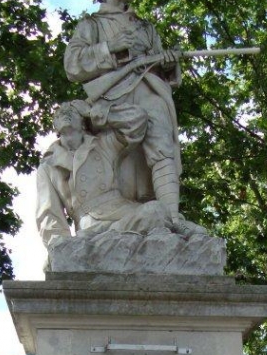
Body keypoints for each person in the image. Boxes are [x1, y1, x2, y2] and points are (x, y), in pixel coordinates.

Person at [63, 0, 183, 219]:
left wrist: (169, 63)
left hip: (150, 92)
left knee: (162, 146)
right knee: (122, 169)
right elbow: (72, 64)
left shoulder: (145, 27)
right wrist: (109, 48)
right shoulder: (91, 25)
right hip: (114, 99)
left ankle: (172, 216)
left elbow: (158, 66)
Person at [35, 100, 177, 250]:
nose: (65, 112)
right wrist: (60, 248)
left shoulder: (103, 144)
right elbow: (49, 214)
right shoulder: (48, 167)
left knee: (156, 211)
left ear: (83, 122)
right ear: (55, 126)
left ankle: (113, 242)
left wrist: (95, 112)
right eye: (60, 113)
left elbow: (138, 120)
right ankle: (109, 242)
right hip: (91, 225)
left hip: (125, 212)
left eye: (72, 111)